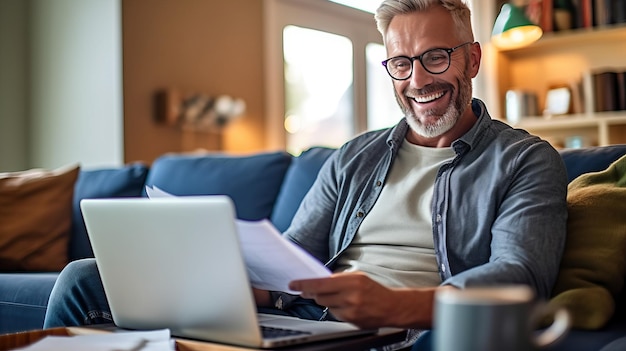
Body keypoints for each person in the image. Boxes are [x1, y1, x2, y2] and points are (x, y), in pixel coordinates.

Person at [44, 0, 567, 347]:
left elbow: (520, 277)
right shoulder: (354, 157)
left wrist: (394, 304)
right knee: (84, 279)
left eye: (435, 57)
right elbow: (292, 261)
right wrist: (231, 284)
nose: (417, 80)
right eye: (400, 63)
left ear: (472, 59)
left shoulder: (524, 159)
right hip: (312, 326)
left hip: (413, 334)